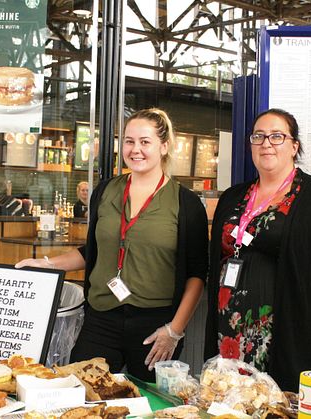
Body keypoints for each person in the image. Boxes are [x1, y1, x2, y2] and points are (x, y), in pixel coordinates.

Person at [16, 108, 208, 382]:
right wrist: (45, 264)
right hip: (101, 318)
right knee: (80, 394)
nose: (135, 149)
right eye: (129, 141)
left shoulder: (185, 203)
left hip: (156, 326)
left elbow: (197, 275)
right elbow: (92, 252)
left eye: (145, 142)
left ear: (164, 146)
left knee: (151, 405)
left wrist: (174, 331)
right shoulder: (106, 192)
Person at [204, 108, 311, 394]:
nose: (267, 143)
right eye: (259, 136)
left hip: (292, 342)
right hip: (230, 338)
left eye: (277, 136)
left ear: (294, 146)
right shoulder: (233, 197)